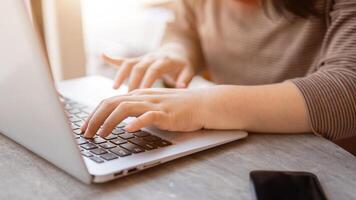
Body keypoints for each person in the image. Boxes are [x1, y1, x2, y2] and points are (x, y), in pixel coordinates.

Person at [81, 0, 356, 153]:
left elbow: (348, 90)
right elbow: (182, 29)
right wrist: (175, 53)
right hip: (247, 151)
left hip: (328, 162)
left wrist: (202, 105)